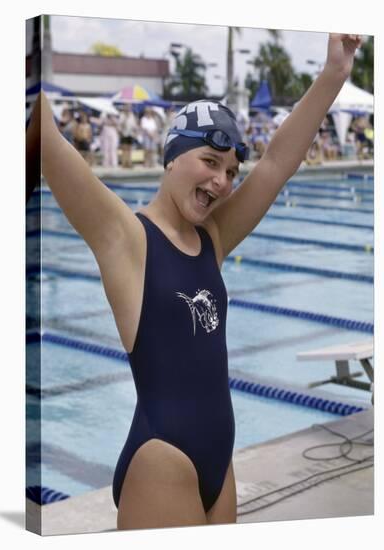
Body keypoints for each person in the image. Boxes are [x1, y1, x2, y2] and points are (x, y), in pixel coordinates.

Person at [37, 34, 361, 530]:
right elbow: (51, 145)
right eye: (209, 163)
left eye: (231, 171)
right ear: (171, 158)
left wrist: (335, 73)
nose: (222, 182)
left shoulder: (212, 236)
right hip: (162, 463)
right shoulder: (128, 239)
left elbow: (276, 164)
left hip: (219, 462)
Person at [119, 104, 138, 168]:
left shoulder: (132, 115)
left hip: (130, 134)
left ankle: (129, 163)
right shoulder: (122, 115)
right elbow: (121, 124)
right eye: (127, 107)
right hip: (124, 134)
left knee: (129, 149)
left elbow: (134, 125)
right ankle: (124, 163)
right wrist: (126, 118)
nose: (128, 109)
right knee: (124, 149)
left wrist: (135, 132)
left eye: (129, 107)